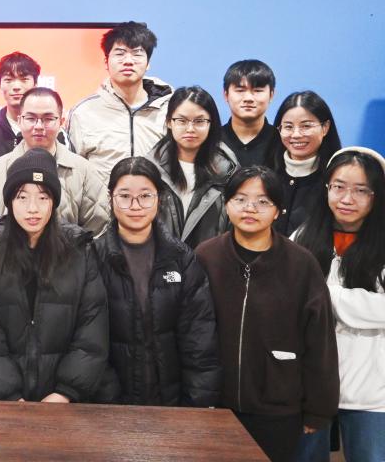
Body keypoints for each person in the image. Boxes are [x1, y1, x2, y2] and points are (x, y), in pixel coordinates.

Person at [195, 166, 339, 462]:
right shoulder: (206, 256)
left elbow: (320, 341)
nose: (250, 208)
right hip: (216, 403)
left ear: (278, 211)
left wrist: (319, 409)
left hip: (278, 406)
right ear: (226, 204)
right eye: (240, 199)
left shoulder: (301, 263)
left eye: (263, 201)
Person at [0, 149, 108, 402]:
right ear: (9, 202)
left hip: (64, 403)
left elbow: (92, 328)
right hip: (4, 405)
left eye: (43, 197)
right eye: (22, 197)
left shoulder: (79, 250)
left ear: (54, 202)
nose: (33, 208)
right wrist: (10, 396)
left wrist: (65, 392)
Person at [92, 157, 221, 406]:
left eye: (145, 196)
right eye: (125, 196)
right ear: (110, 198)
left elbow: (199, 340)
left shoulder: (181, 259)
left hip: (171, 402)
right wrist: (110, 401)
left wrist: (197, 405)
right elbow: (89, 342)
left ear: (159, 198)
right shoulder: (94, 258)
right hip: (109, 404)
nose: (135, 205)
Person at [293, 147, 385, 462]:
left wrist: (325, 295)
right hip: (311, 383)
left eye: (361, 191)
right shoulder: (304, 236)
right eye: (339, 187)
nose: (347, 199)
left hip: (372, 390)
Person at [0, 86, 109, 235]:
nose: (38, 126)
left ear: (61, 121)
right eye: (30, 118)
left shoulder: (84, 171)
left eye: (48, 119)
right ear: (19, 121)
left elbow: (96, 231)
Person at [66, 21, 173, 183]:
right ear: (106, 62)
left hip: (157, 199)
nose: (128, 60)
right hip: (101, 200)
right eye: (120, 53)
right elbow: (72, 172)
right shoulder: (82, 113)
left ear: (148, 63)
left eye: (137, 53)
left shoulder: (170, 109)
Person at [146, 86, 238, 248]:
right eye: (181, 121)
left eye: (199, 121)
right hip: (158, 261)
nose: (190, 129)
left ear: (211, 124)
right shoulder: (149, 169)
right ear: (169, 122)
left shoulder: (228, 171)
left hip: (209, 260)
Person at [267, 91, 342, 236]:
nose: (296, 135)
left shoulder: (336, 179)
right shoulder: (266, 175)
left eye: (306, 126)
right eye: (288, 127)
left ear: (325, 127)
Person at [221, 60, 278, 168]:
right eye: (240, 90)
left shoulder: (282, 141)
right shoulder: (212, 141)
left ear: (271, 95)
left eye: (257, 90)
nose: (248, 98)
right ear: (226, 95)